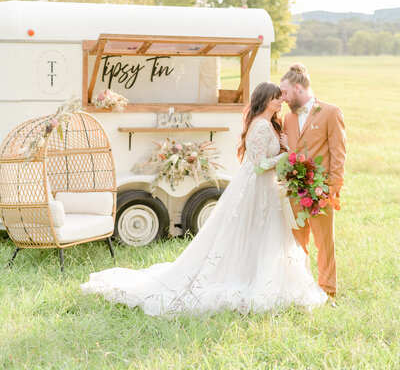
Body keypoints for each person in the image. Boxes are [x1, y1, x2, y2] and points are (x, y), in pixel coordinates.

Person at [81, 82, 327, 316]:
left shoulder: (268, 124)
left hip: (264, 189)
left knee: (261, 232)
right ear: (266, 101)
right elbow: (260, 165)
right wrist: (286, 158)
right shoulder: (261, 126)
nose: (281, 100)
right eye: (277, 98)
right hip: (257, 187)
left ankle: (257, 273)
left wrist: (283, 148)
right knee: (254, 230)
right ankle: (251, 277)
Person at [280, 64, 346, 304]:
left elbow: (338, 153)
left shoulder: (330, 112)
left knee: (324, 243)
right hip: (294, 191)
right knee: (297, 244)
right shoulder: (288, 117)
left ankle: (328, 291)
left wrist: (331, 189)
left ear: (298, 88)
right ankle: (302, 288)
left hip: (321, 191)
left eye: (285, 93)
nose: (283, 98)